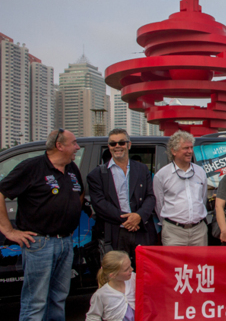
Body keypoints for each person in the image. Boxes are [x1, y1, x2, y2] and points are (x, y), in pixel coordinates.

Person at [0, 129, 83, 320]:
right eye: (74, 143)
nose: (77, 147)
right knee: (35, 301)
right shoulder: (32, 167)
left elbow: (79, 193)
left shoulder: (71, 168)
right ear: (59, 146)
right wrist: (8, 231)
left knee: (58, 298)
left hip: (66, 242)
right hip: (40, 243)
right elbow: (1, 192)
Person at [88, 129, 157, 267]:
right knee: (117, 275)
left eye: (121, 142)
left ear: (129, 145)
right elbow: (100, 204)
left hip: (141, 229)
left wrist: (138, 216)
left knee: (144, 273)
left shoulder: (142, 169)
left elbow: (150, 196)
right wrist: (128, 220)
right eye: (113, 144)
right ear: (109, 147)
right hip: (115, 231)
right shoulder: (97, 174)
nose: (117, 146)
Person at [154, 131, 209, 246]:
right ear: (173, 151)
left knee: (199, 264)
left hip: (198, 231)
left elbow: (202, 199)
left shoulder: (200, 172)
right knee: (173, 263)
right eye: (185, 148)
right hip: (173, 232)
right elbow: (159, 204)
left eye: (191, 147)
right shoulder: (162, 175)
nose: (190, 151)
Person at [86, 251, 136, 321]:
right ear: (113, 275)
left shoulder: (133, 279)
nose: (132, 269)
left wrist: (143, 252)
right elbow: (93, 317)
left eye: (130, 266)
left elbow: (151, 278)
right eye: (127, 269)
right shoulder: (101, 294)